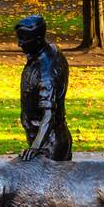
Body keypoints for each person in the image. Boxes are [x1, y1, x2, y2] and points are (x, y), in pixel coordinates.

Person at [15, 14, 73, 161]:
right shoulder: (50, 50)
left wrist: (36, 147)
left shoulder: (46, 74)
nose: (19, 44)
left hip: (49, 146)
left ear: (38, 40)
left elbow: (49, 114)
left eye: (24, 39)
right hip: (47, 137)